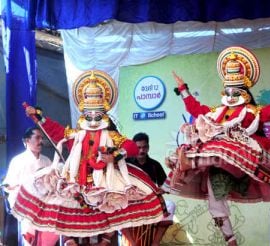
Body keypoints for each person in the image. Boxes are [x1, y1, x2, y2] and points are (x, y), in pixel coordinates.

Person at [163, 46, 270, 245]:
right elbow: (197, 109)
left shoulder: (251, 111)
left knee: (220, 148)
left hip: (241, 159)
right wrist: (184, 90)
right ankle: (230, 240)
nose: (230, 95)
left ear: (244, 92)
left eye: (235, 91)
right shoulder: (217, 111)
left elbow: (269, 112)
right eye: (227, 91)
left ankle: (190, 164)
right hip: (219, 165)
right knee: (214, 197)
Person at [12, 70, 167, 245]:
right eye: (89, 114)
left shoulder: (110, 134)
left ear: (104, 113)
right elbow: (57, 131)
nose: (93, 118)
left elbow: (129, 146)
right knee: (70, 221)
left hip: (103, 184)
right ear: (83, 113)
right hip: (76, 182)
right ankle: (71, 240)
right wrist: (38, 117)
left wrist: (115, 156)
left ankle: (104, 240)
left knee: (107, 225)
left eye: (97, 113)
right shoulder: (77, 134)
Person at [3, 127, 59, 246]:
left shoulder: (47, 161)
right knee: (29, 216)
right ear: (27, 140)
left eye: (42, 138)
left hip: (44, 201)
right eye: (37, 137)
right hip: (24, 202)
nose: (41, 141)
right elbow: (8, 185)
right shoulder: (17, 161)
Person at [122, 132, 175, 246]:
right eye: (138, 147)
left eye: (144, 147)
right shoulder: (126, 164)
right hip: (131, 202)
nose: (141, 150)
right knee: (117, 210)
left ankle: (155, 243)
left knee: (170, 205)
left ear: (148, 147)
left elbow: (165, 186)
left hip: (150, 202)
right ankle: (132, 243)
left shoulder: (155, 165)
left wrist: (162, 190)